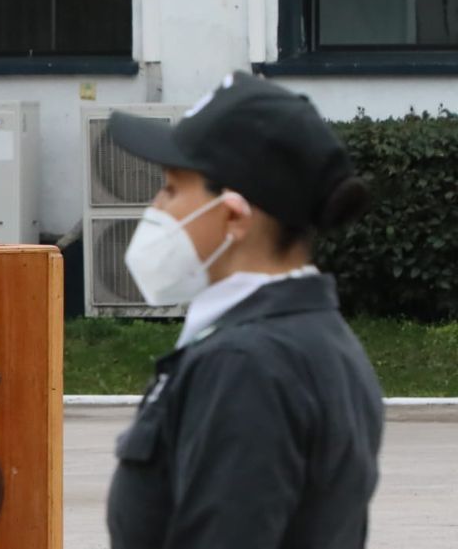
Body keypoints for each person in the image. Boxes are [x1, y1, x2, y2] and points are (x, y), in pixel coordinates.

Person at [105, 71, 384, 549]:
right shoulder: (313, 336)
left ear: (233, 216)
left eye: (172, 189)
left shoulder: (246, 364)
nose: (157, 206)